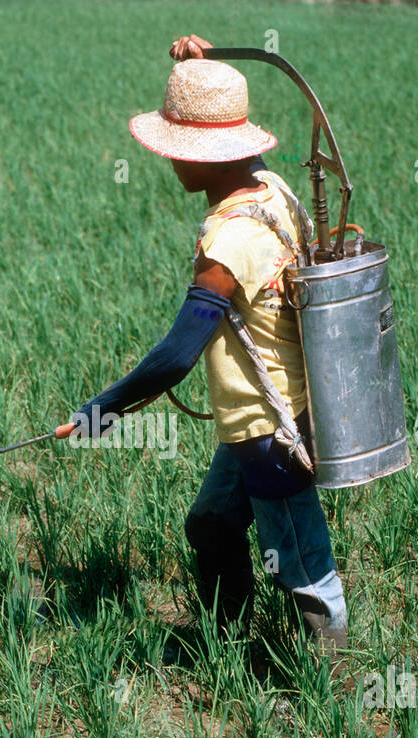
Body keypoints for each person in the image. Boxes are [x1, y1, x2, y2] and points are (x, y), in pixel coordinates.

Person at [55, 33, 348, 649]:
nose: (171, 160)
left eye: (179, 148)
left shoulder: (231, 240)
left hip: (270, 429)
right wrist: (199, 73)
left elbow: (177, 355)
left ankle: (334, 678)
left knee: (300, 562)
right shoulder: (271, 191)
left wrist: (100, 412)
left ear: (210, 156)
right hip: (262, 416)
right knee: (213, 523)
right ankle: (227, 647)